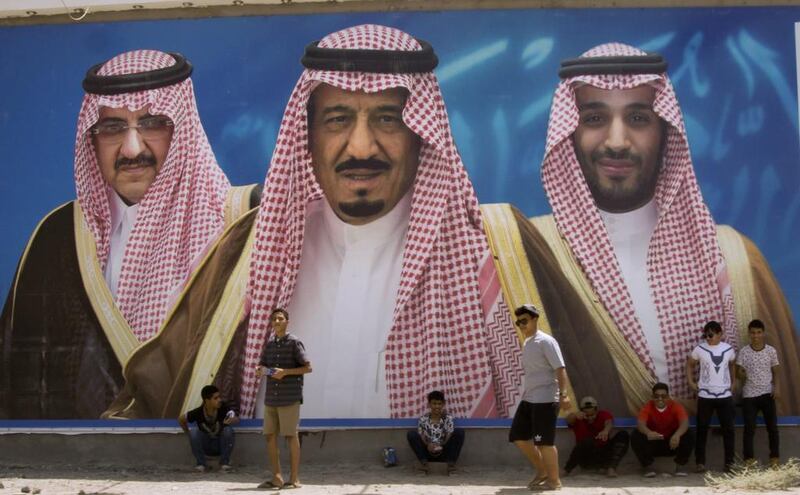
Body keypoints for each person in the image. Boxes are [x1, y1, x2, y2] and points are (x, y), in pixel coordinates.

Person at [103, 24, 523, 421]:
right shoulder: (247, 256)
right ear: (307, 137)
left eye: (387, 119)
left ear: (421, 136)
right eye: (337, 119)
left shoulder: (486, 267)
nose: (361, 146)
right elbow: (166, 390)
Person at [481, 42, 800, 416]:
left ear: (665, 131)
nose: (616, 142)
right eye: (595, 119)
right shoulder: (524, 254)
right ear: (569, 133)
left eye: (638, 119)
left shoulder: (735, 261)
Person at [0, 50, 258, 419]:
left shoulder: (245, 223)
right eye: (112, 127)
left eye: (152, 122)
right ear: (92, 138)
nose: (132, 149)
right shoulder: (55, 237)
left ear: (182, 129)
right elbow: (19, 381)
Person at [509, 304, 570, 491]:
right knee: (518, 436)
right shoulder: (527, 342)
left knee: (544, 442)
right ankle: (542, 470)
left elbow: (560, 369)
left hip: (545, 399)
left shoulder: (546, 341)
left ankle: (554, 481)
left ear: (535, 319)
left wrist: (564, 395)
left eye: (524, 321)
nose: (521, 325)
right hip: (529, 398)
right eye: (518, 322)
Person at [255, 308, 311, 490]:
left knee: (290, 436)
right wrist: (260, 370)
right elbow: (262, 364)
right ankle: (277, 477)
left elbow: (308, 368)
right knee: (270, 436)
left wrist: (285, 373)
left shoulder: (294, 343)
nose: (277, 322)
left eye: (280, 319)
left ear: (287, 322)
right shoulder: (270, 344)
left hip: (289, 398)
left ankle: (294, 479)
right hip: (271, 398)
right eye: (274, 319)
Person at [687, 320, 736, 472]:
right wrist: (691, 382)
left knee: (728, 430)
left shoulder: (728, 349)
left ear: (720, 334)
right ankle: (700, 463)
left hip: (725, 395)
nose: (708, 338)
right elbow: (689, 365)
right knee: (702, 429)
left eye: (711, 335)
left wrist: (733, 383)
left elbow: (732, 365)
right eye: (705, 335)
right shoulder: (699, 349)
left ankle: (730, 463)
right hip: (705, 395)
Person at [737, 319, 781, 466]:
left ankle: (774, 459)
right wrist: (741, 373)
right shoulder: (744, 352)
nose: (756, 336)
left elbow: (776, 371)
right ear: (749, 334)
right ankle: (748, 460)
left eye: (759, 332)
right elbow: (738, 373)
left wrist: (777, 387)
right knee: (749, 429)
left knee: (772, 428)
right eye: (753, 333)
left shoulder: (771, 351)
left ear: (763, 333)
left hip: (767, 393)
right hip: (749, 395)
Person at [630, 382, 694, 477]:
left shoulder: (676, 406)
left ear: (668, 397)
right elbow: (640, 424)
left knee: (689, 433)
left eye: (663, 396)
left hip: (672, 444)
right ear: (652, 397)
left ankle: (680, 465)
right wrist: (648, 432)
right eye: (656, 396)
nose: (660, 399)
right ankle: (648, 467)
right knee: (635, 434)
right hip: (654, 443)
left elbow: (684, 423)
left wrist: (677, 435)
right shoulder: (648, 407)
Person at [563, 396, 629, 478]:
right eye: (587, 415)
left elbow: (608, 422)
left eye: (592, 415)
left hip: (603, 453)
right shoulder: (577, 419)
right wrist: (575, 415)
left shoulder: (603, 414)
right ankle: (566, 470)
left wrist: (605, 430)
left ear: (596, 410)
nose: (590, 418)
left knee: (623, 434)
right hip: (587, 457)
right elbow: (569, 420)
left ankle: (611, 468)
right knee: (587, 441)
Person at [178, 384, 239, 472]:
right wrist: (188, 434)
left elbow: (236, 418)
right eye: (215, 398)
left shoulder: (223, 409)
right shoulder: (198, 412)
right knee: (194, 432)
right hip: (206, 445)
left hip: (220, 444)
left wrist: (233, 419)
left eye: (219, 397)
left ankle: (224, 464)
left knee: (228, 430)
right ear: (207, 400)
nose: (219, 400)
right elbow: (181, 419)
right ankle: (201, 465)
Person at [406, 390, 465, 475]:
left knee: (460, 432)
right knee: (411, 434)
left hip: (444, 452)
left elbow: (449, 434)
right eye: (434, 403)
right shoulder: (423, 419)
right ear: (429, 404)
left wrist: (441, 445)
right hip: (427, 453)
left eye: (439, 404)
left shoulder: (448, 418)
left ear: (443, 404)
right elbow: (421, 435)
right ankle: (424, 465)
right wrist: (428, 445)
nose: (437, 406)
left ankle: (451, 466)